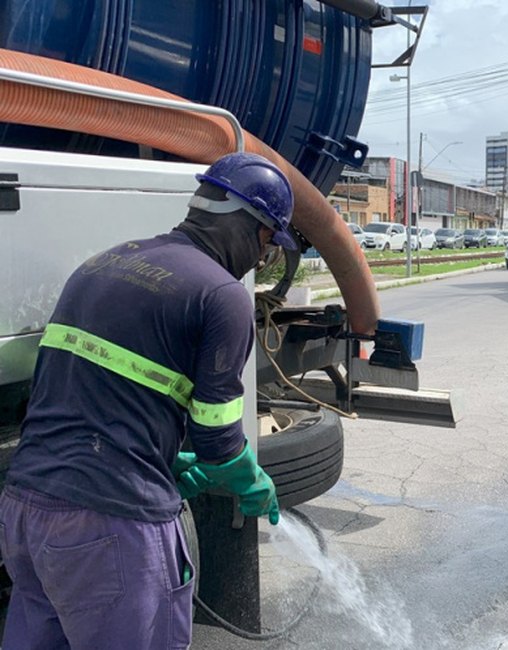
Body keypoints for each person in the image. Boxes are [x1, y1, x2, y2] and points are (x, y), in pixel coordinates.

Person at [0, 152, 297, 648]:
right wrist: (249, 481)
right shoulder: (222, 294)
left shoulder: (106, 262)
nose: (261, 258)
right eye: (267, 241)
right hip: (112, 526)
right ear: (250, 225)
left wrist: (162, 456)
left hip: (26, 512)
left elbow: (83, 390)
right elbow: (220, 440)